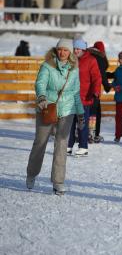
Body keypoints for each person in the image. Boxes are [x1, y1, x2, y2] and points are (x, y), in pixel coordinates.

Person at [26, 38, 85, 195]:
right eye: (60, 49)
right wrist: (41, 97)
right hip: (47, 108)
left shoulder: (74, 69)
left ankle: (58, 181)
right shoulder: (47, 66)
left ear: (70, 52)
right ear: (56, 50)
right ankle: (31, 174)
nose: (62, 52)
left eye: (66, 50)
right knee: (40, 142)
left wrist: (80, 113)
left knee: (61, 145)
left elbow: (76, 92)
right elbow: (40, 84)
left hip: (67, 110)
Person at [67, 38, 102, 156]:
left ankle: (83, 147)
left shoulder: (91, 60)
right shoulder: (70, 60)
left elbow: (96, 78)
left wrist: (96, 92)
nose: (76, 51)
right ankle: (68, 145)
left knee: (82, 124)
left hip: (84, 97)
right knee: (69, 123)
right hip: (70, 97)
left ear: (83, 49)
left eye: (78, 49)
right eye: (74, 48)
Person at [87, 41, 111, 143]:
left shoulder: (87, 55)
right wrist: (107, 86)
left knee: (83, 112)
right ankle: (93, 134)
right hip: (94, 90)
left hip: (83, 88)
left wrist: (112, 75)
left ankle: (79, 133)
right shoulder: (99, 58)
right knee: (95, 112)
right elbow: (101, 74)